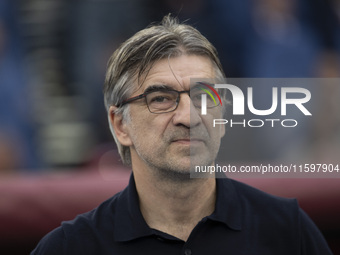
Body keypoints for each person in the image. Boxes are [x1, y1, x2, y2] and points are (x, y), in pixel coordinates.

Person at [31, 15, 333, 255]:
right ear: (120, 125)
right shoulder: (71, 246)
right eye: (161, 98)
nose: (189, 117)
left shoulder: (287, 231)